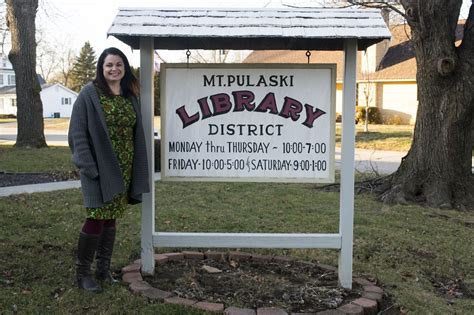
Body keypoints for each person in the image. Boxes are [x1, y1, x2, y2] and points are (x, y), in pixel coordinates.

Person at [68, 47, 149, 293]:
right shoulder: (89, 94)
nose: (114, 69)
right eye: (109, 65)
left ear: (125, 68)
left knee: (111, 217)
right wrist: (88, 167)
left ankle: (103, 270)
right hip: (97, 168)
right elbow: (77, 133)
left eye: (118, 64)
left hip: (123, 167)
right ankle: (83, 274)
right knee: (96, 216)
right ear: (101, 69)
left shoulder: (129, 95)